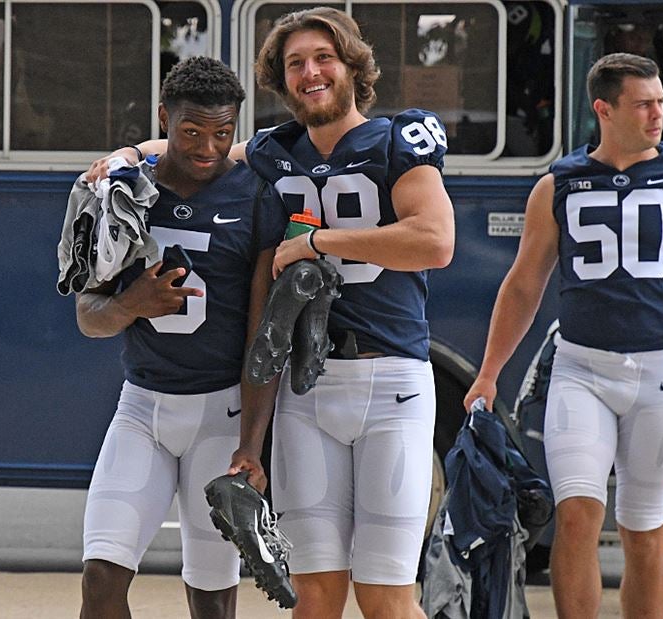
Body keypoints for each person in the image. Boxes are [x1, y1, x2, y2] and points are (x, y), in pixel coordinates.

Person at [87, 8, 454, 619]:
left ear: (352, 66)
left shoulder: (397, 138)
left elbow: (435, 242)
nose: (310, 72)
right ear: (281, 83)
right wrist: (127, 152)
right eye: (295, 64)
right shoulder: (271, 150)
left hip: (389, 378)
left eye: (323, 58)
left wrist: (319, 242)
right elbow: (195, 144)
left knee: (386, 596)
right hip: (306, 389)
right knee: (313, 596)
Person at [463, 53, 663, 618]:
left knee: (645, 525)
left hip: (661, 373)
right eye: (644, 103)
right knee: (576, 514)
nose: (658, 113)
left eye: (660, 101)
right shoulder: (559, 182)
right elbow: (525, 283)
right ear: (604, 109)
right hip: (582, 369)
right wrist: (488, 371)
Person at [73, 57, 288, 619]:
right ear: (164, 118)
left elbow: (261, 335)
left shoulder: (257, 195)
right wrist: (128, 304)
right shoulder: (123, 190)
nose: (208, 147)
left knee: (213, 601)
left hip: (221, 414)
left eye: (223, 133)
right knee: (100, 578)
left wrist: (251, 443)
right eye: (192, 131)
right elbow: (88, 317)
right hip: (142, 406)